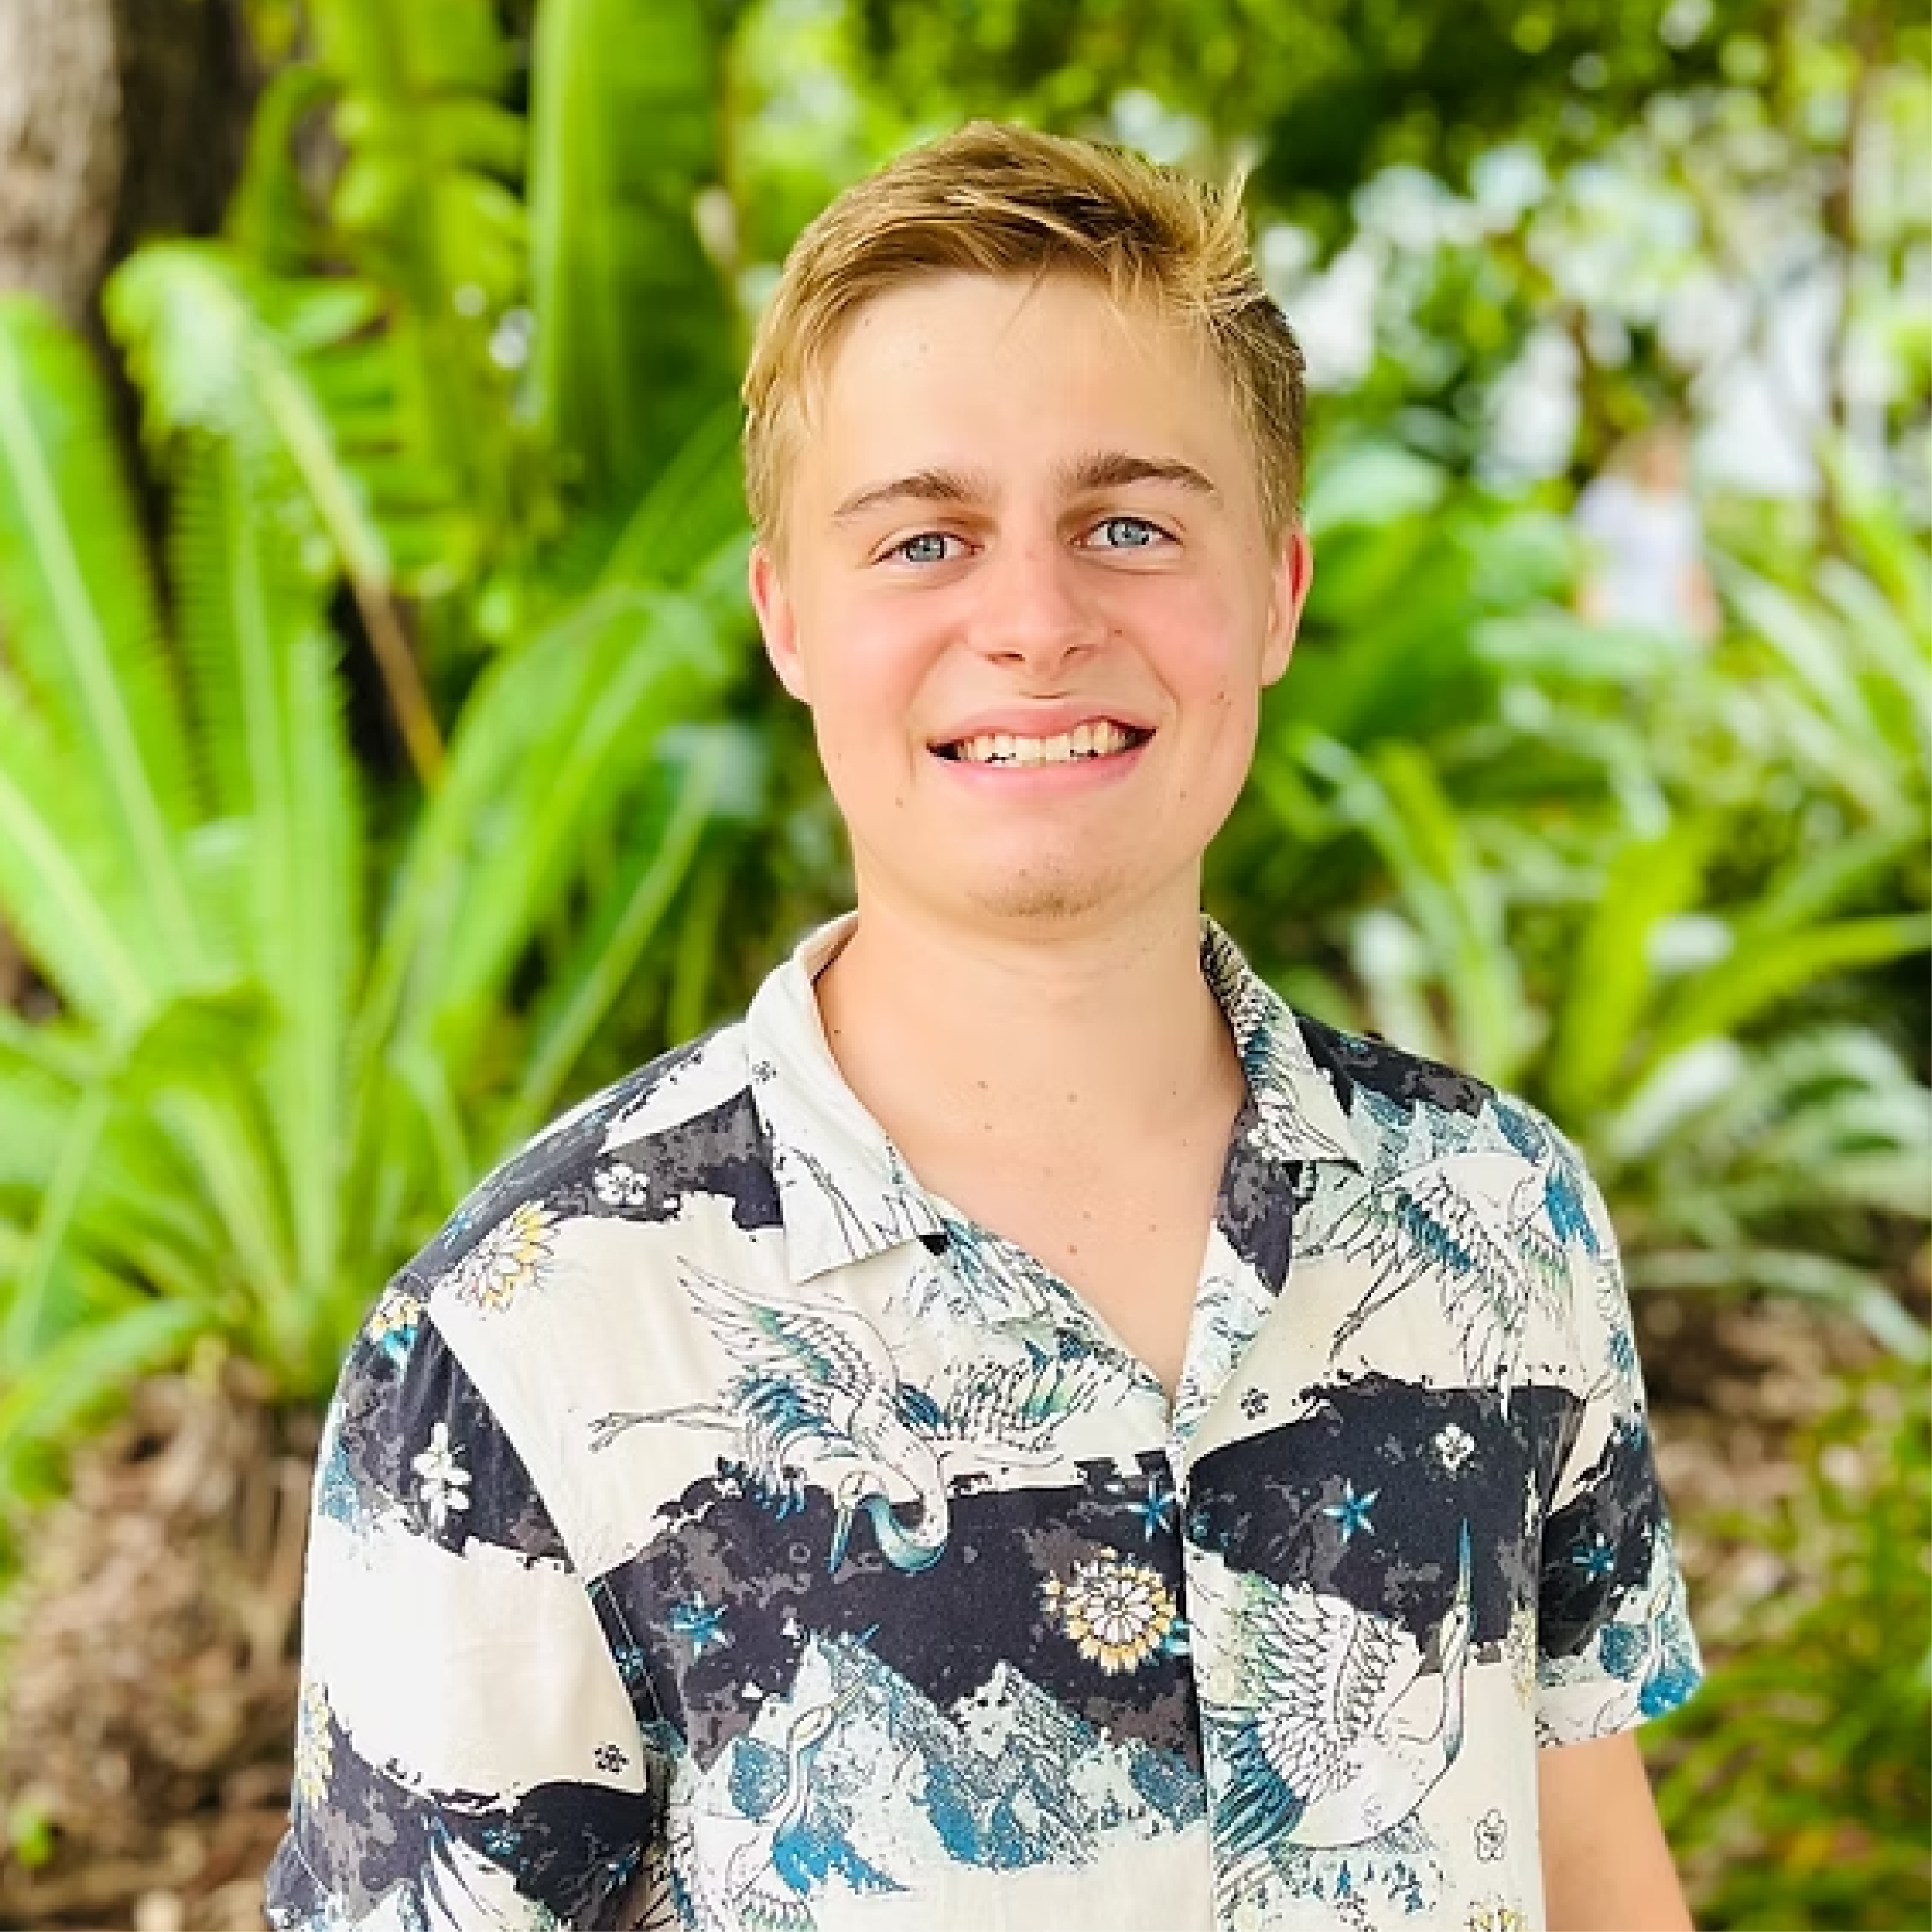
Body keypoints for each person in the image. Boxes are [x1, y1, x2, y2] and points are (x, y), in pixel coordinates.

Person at [266, 123, 1701, 1932]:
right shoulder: (525, 1330)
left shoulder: (1500, 1217)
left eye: (1128, 523)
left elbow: (1595, 1872)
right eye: (925, 538)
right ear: (786, 618)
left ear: (1273, 590)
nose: (1032, 621)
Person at [1573, 421, 1720, 645]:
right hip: (1612, 621)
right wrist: (1591, 618)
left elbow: (1689, 568)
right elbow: (1584, 560)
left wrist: (1705, 614)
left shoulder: (1680, 509)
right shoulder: (1609, 497)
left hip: (1663, 626)